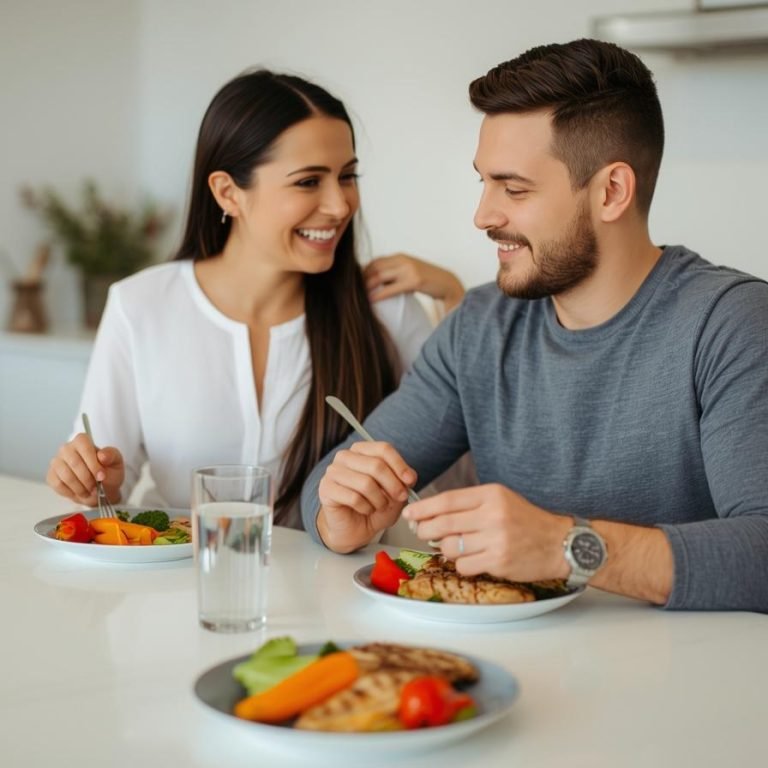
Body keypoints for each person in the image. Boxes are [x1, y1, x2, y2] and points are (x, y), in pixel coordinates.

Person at [300, 39, 768, 612]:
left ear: (612, 191)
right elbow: (332, 479)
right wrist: (339, 517)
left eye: (514, 189)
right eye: (485, 183)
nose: (483, 216)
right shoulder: (479, 327)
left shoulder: (731, 324)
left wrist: (567, 546)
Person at [46, 69, 464, 528]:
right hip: (179, 587)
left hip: (338, 594)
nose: (340, 205)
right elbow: (104, 492)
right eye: (308, 181)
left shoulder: (385, 307)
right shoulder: (139, 305)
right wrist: (90, 479)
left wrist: (458, 309)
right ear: (228, 193)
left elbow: (461, 482)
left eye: (347, 176)